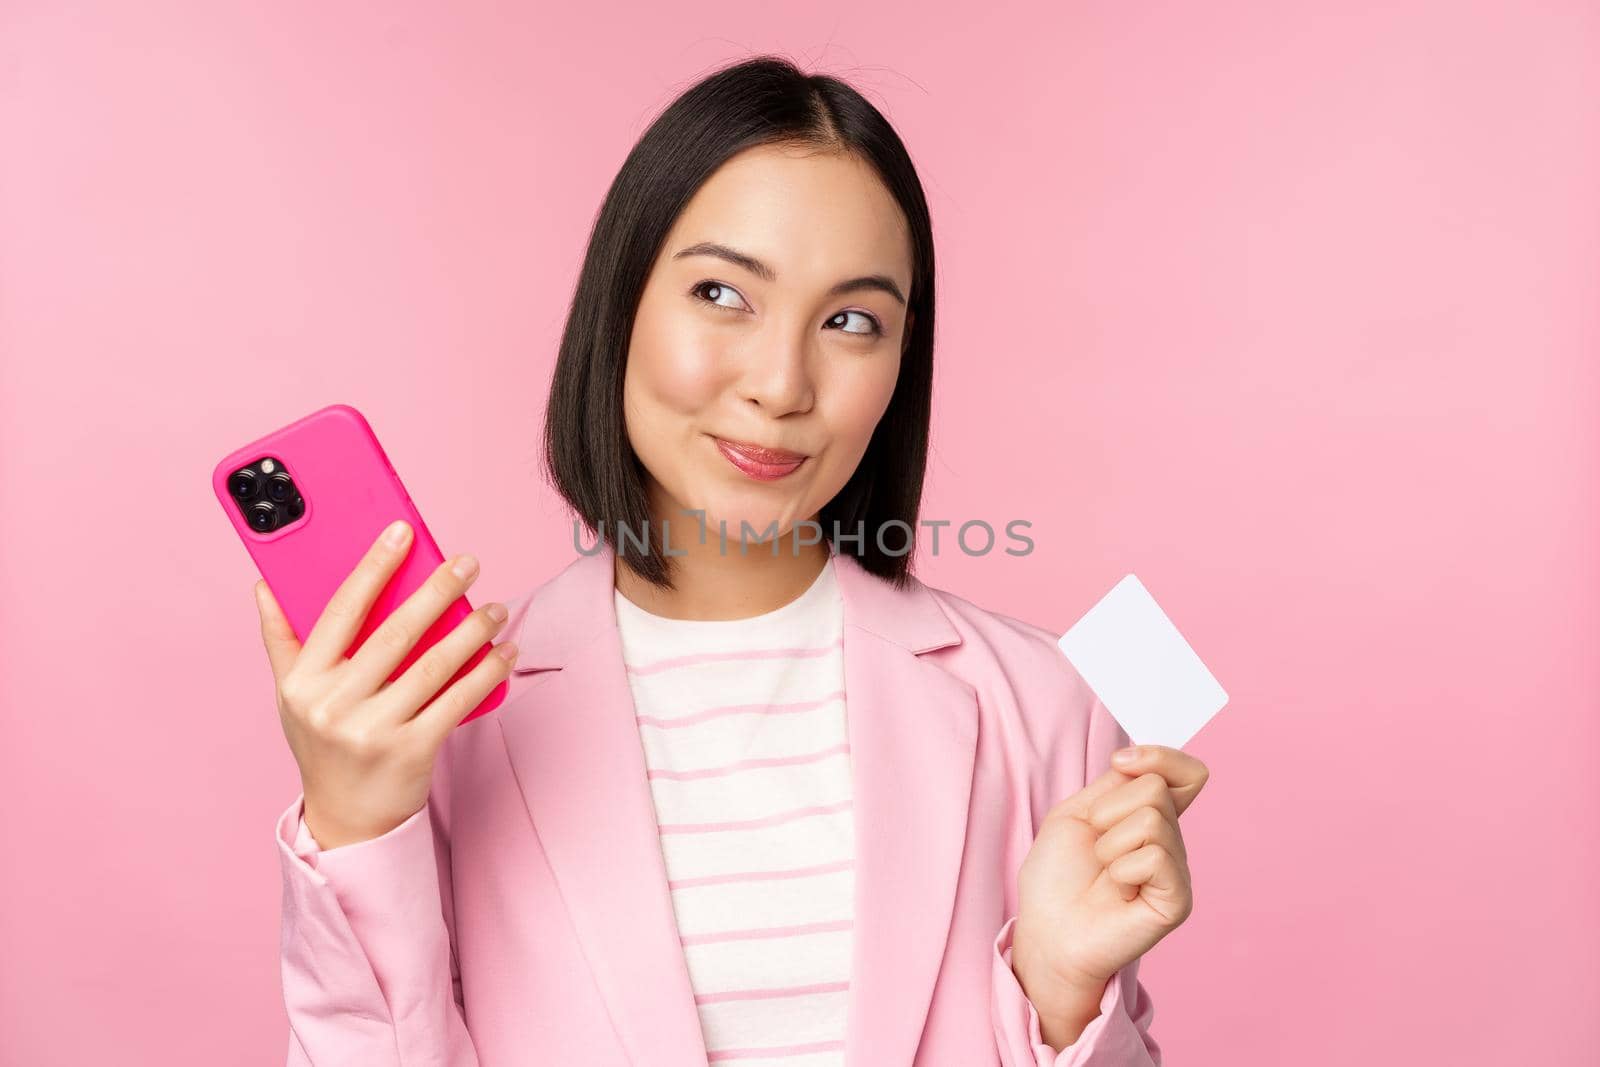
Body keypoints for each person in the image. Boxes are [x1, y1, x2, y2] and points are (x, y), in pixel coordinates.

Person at [260, 55, 1208, 1066]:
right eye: (721, 292)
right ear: (619, 305)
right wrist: (355, 822)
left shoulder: (1049, 700)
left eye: (852, 320)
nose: (781, 382)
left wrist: (1060, 996)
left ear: (901, 362)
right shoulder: (438, 724)